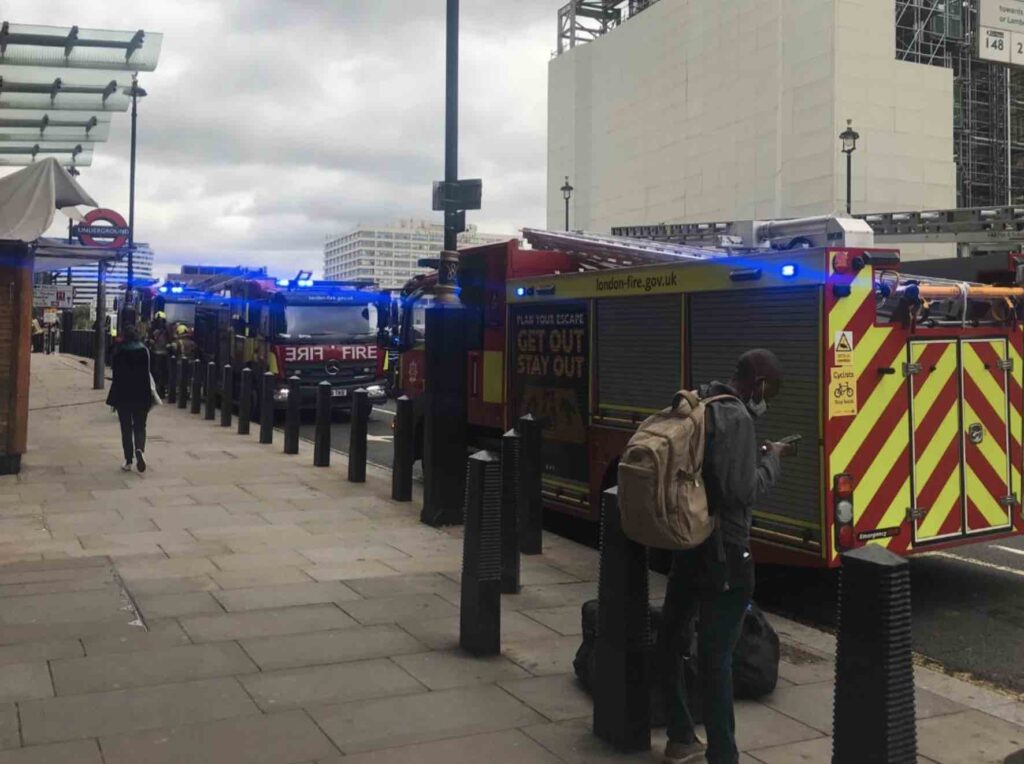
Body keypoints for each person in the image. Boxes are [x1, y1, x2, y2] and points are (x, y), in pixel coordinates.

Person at [659, 349, 793, 764]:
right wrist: (773, 460)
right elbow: (740, 491)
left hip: (690, 544)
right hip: (727, 554)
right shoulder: (736, 418)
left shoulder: (701, 400)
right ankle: (723, 755)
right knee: (717, 658)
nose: (766, 397)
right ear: (758, 383)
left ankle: (680, 736)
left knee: (670, 638)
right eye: (769, 389)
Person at [106, 324, 153, 473]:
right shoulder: (144, 350)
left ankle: (128, 460)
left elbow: (116, 375)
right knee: (140, 426)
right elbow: (148, 373)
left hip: (123, 395)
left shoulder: (119, 351)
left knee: (125, 428)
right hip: (141, 394)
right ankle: (140, 449)